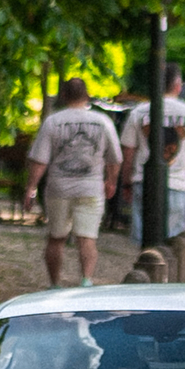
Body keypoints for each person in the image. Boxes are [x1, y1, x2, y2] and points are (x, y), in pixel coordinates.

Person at [25, 76, 123, 287]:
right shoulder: (103, 122)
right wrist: (111, 181)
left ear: (64, 96)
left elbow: (39, 160)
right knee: (87, 238)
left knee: (56, 237)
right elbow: (115, 158)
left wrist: (31, 188)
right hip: (91, 187)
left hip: (59, 188)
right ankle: (86, 280)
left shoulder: (53, 121)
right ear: (87, 95)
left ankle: (54, 283)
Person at [120, 69, 185, 243]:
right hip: (177, 183)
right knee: (173, 243)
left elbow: (129, 151)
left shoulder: (139, 112)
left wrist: (126, 182)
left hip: (144, 181)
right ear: (178, 86)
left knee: (144, 240)